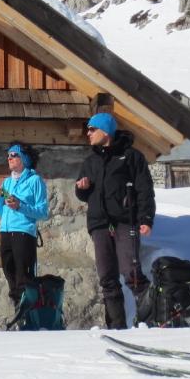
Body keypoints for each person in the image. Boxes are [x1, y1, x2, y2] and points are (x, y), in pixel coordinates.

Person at [74, 112, 155, 330]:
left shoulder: (131, 157)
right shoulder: (90, 161)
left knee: (132, 273)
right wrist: (81, 187)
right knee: (107, 277)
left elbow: (145, 190)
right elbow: (83, 195)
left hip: (125, 221)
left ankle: (152, 322)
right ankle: (117, 328)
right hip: (99, 223)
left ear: (106, 131)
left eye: (92, 129)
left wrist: (146, 218)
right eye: (88, 129)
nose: (88, 133)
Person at [0, 143, 50, 313]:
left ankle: (27, 311)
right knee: (8, 270)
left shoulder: (35, 181)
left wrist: (20, 206)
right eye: (8, 155)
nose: (9, 158)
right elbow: (0, 212)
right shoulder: (7, 182)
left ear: (24, 159)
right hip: (5, 231)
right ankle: (18, 308)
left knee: (23, 274)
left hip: (24, 232)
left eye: (14, 155)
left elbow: (43, 212)